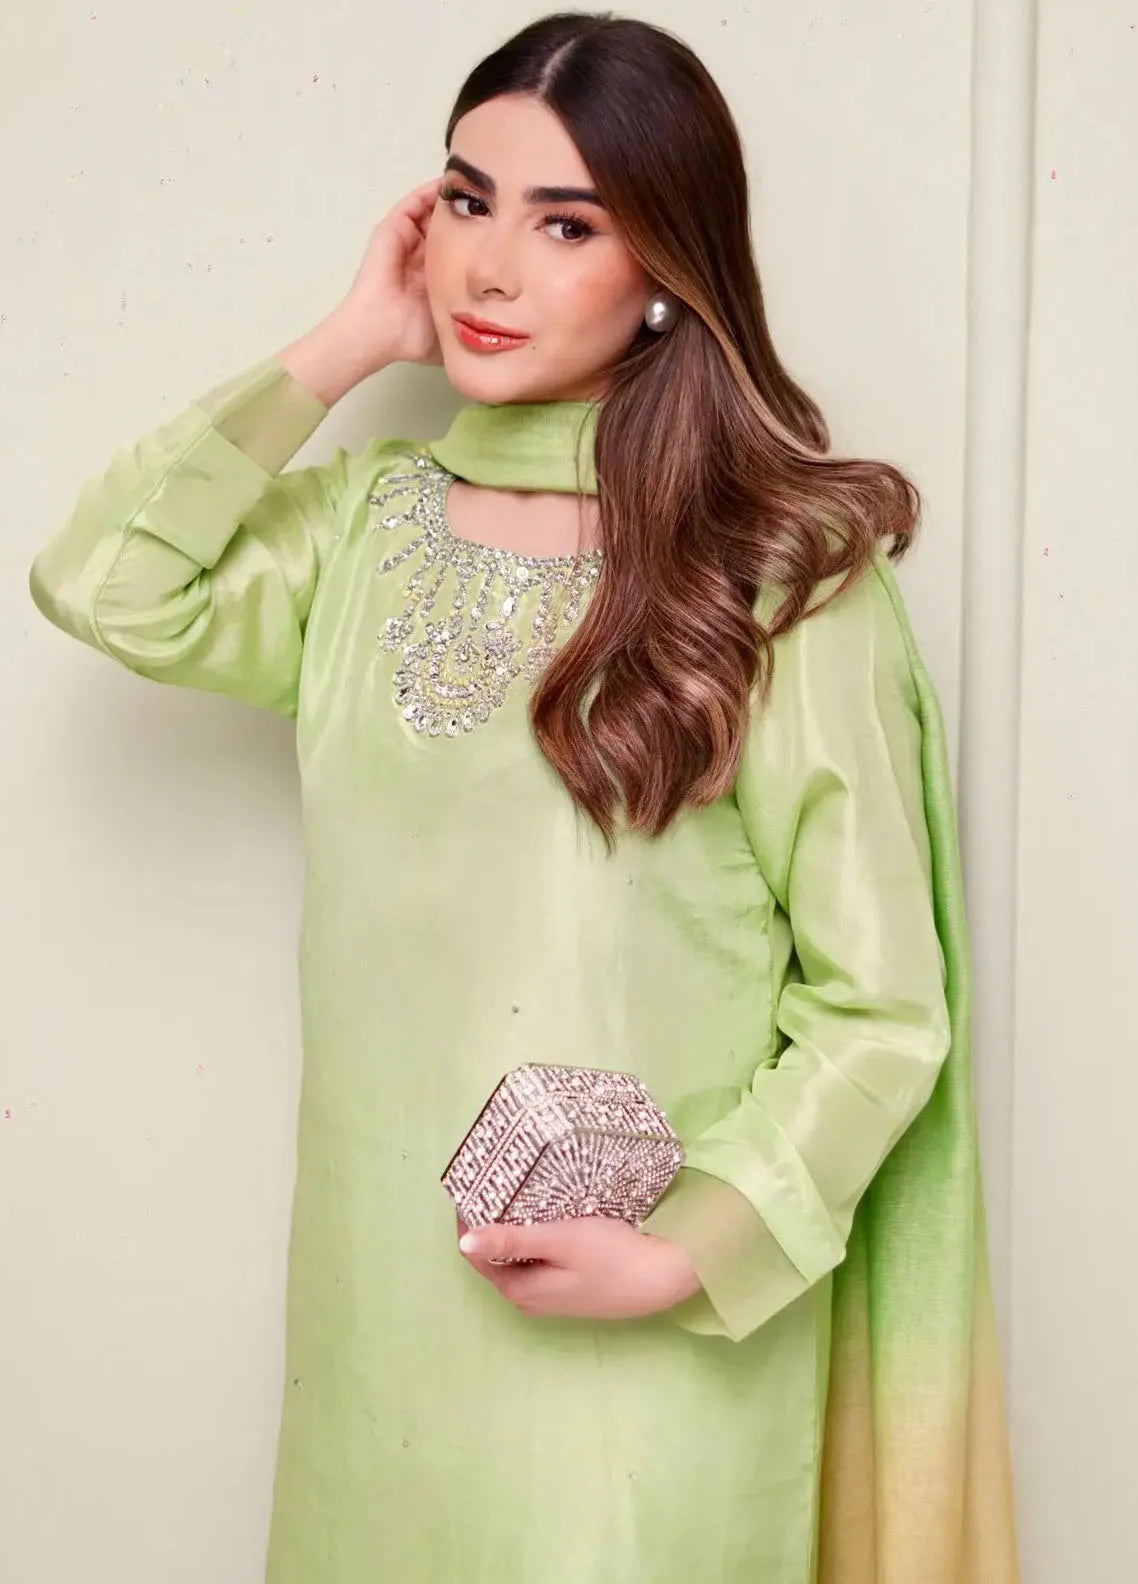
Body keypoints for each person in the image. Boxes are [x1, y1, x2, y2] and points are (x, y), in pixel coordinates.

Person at [27, 12, 1021, 1584]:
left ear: (665, 271)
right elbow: (103, 587)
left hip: (658, 1335)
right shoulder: (359, 535)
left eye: (566, 226)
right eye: (466, 201)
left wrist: (687, 1252)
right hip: (382, 1322)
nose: (490, 268)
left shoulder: (768, 583)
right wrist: (343, 343)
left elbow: (881, 1006)